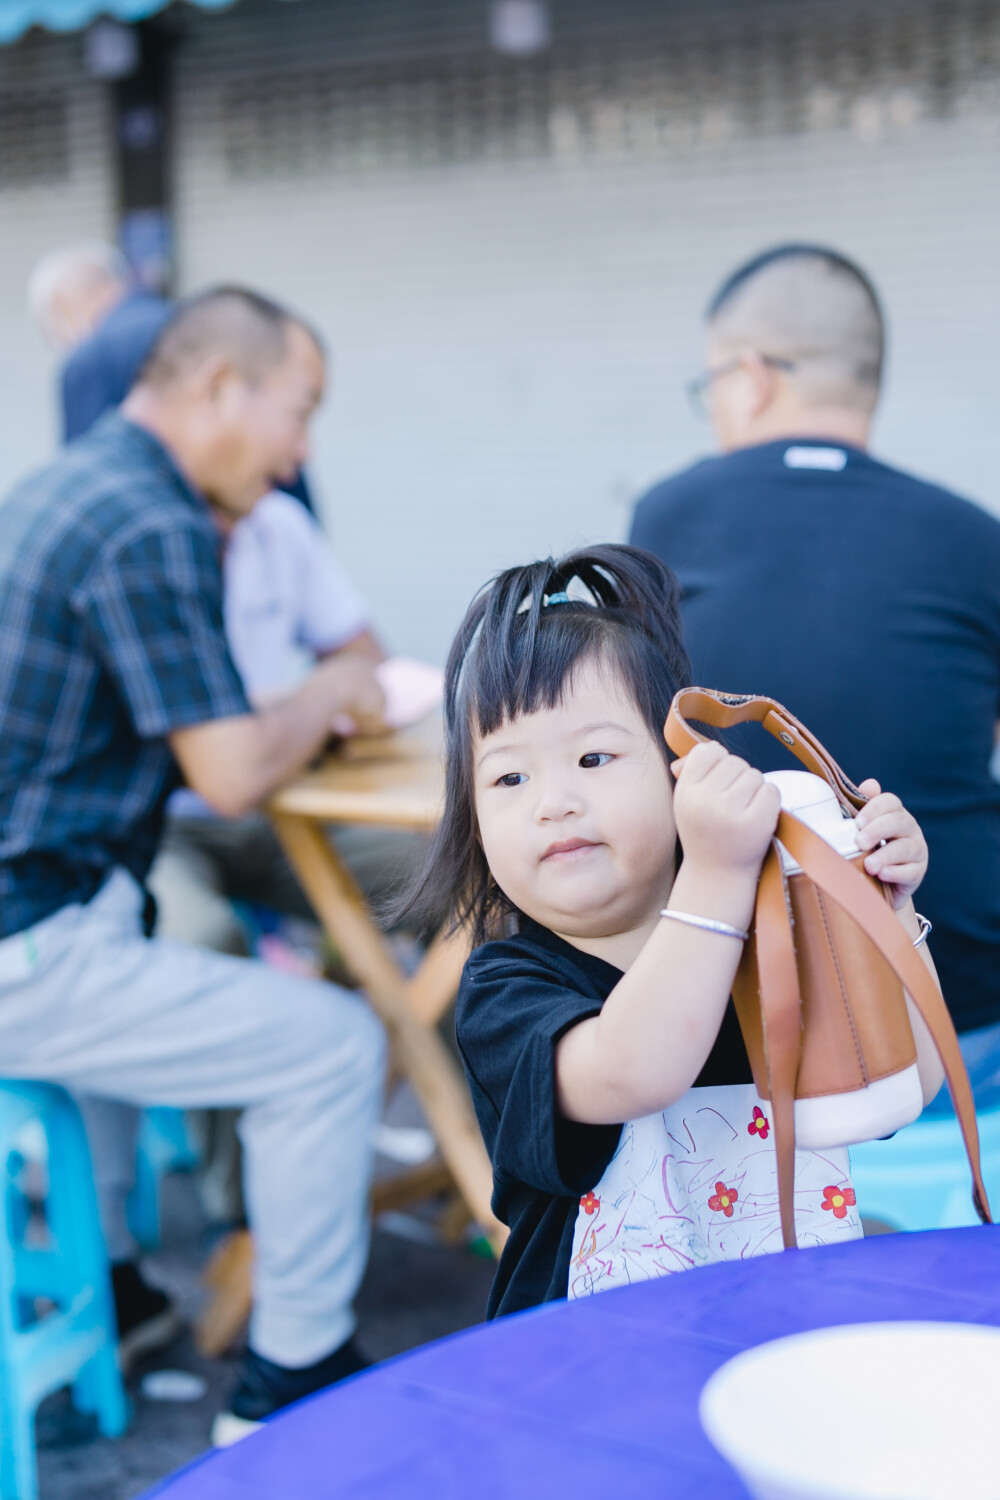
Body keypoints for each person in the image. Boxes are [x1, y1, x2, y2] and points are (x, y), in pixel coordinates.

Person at [0, 286, 387, 1444]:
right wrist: (325, 690)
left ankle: (115, 1290)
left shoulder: (75, 485)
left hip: (50, 909)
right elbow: (224, 774)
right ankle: (292, 1378)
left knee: (145, 929)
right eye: (299, 411)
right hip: (29, 941)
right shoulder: (149, 520)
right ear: (223, 386)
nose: (300, 451)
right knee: (335, 1047)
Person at [401, 544, 943, 1316]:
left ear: (679, 772)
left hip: (784, 1328)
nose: (552, 801)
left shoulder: (770, 944)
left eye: (593, 757)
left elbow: (902, 1086)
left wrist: (883, 907)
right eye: (509, 778)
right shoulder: (506, 989)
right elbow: (634, 1070)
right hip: (593, 1370)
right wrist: (719, 875)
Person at [630, 244, 1000, 1104]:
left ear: (752, 377)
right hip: (960, 989)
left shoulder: (672, 512)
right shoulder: (975, 536)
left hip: (749, 993)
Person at [28, 241, 315, 510]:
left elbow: (82, 491)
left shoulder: (90, 358)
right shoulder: (201, 326)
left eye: (51, 329)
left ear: (63, 303)